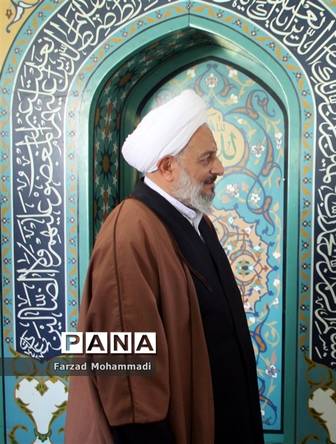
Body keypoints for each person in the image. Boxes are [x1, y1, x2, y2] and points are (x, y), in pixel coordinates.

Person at [65, 90, 264, 444]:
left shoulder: (197, 222)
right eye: (207, 158)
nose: (219, 168)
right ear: (168, 166)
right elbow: (124, 376)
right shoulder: (129, 231)